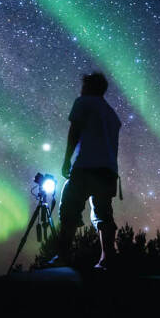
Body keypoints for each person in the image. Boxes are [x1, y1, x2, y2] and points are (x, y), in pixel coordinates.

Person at [57, 72, 122, 269]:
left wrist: (66, 160)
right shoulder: (112, 114)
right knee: (103, 213)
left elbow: (75, 131)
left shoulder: (84, 102)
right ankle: (107, 258)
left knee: (70, 208)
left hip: (86, 165)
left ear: (88, 86)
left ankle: (62, 257)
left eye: (84, 85)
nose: (81, 88)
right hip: (108, 171)